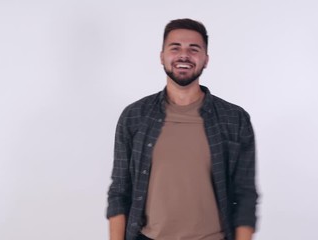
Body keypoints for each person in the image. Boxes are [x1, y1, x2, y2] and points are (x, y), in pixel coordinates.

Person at [106, 18, 258, 240]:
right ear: (162, 56)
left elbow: (245, 196)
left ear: (205, 59)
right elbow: (119, 191)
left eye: (193, 49)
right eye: (175, 48)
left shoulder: (234, 119)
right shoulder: (135, 116)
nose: (184, 55)